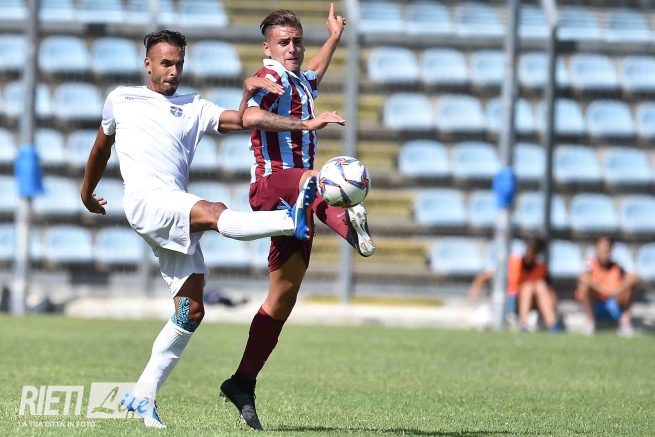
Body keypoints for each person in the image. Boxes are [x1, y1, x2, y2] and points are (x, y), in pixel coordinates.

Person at [80, 29, 319, 429]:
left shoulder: (193, 105)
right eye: (166, 63)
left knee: (190, 310)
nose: (173, 71)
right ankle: (287, 221)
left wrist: (248, 95)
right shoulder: (121, 99)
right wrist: (87, 192)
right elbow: (101, 147)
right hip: (146, 202)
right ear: (148, 64)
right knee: (214, 210)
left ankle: (142, 395)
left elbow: (241, 120)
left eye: (179, 64)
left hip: (172, 204)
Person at [218, 5, 375, 430]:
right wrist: (306, 125)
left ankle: (241, 382)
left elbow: (315, 72)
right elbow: (249, 116)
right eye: (283, 42)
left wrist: (334, 37)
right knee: (312, 178)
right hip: (272, 187)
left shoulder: (300, 81)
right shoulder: (269, 76)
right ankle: (348, 225)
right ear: (267, 48)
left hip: (299, 206)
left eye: (297, 41)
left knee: (280, 301)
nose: (292, 48)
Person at [468, 237, 560, 332]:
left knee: (539, 285)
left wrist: (553, 299)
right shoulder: (514, 262)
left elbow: (548, 289)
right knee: (527, 287)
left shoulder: (541, 267)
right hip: (514, 299)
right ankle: (523, 323)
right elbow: (487, 275)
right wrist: (476, 287)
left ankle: (552, 324)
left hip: (535, 302)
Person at [575, 236, 639, 337]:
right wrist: (605, 291)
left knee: (630, 287)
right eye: (602, 249)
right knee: (585, 287)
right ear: (596, 249)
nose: (605, 252)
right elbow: (584, 278)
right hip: (596, 304)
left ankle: (625, 323)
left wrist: (617, 291)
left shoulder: (617, 266)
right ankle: (590, 322)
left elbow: (634, 278)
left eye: (608, 249)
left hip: (615, 303)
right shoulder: (590, 264)